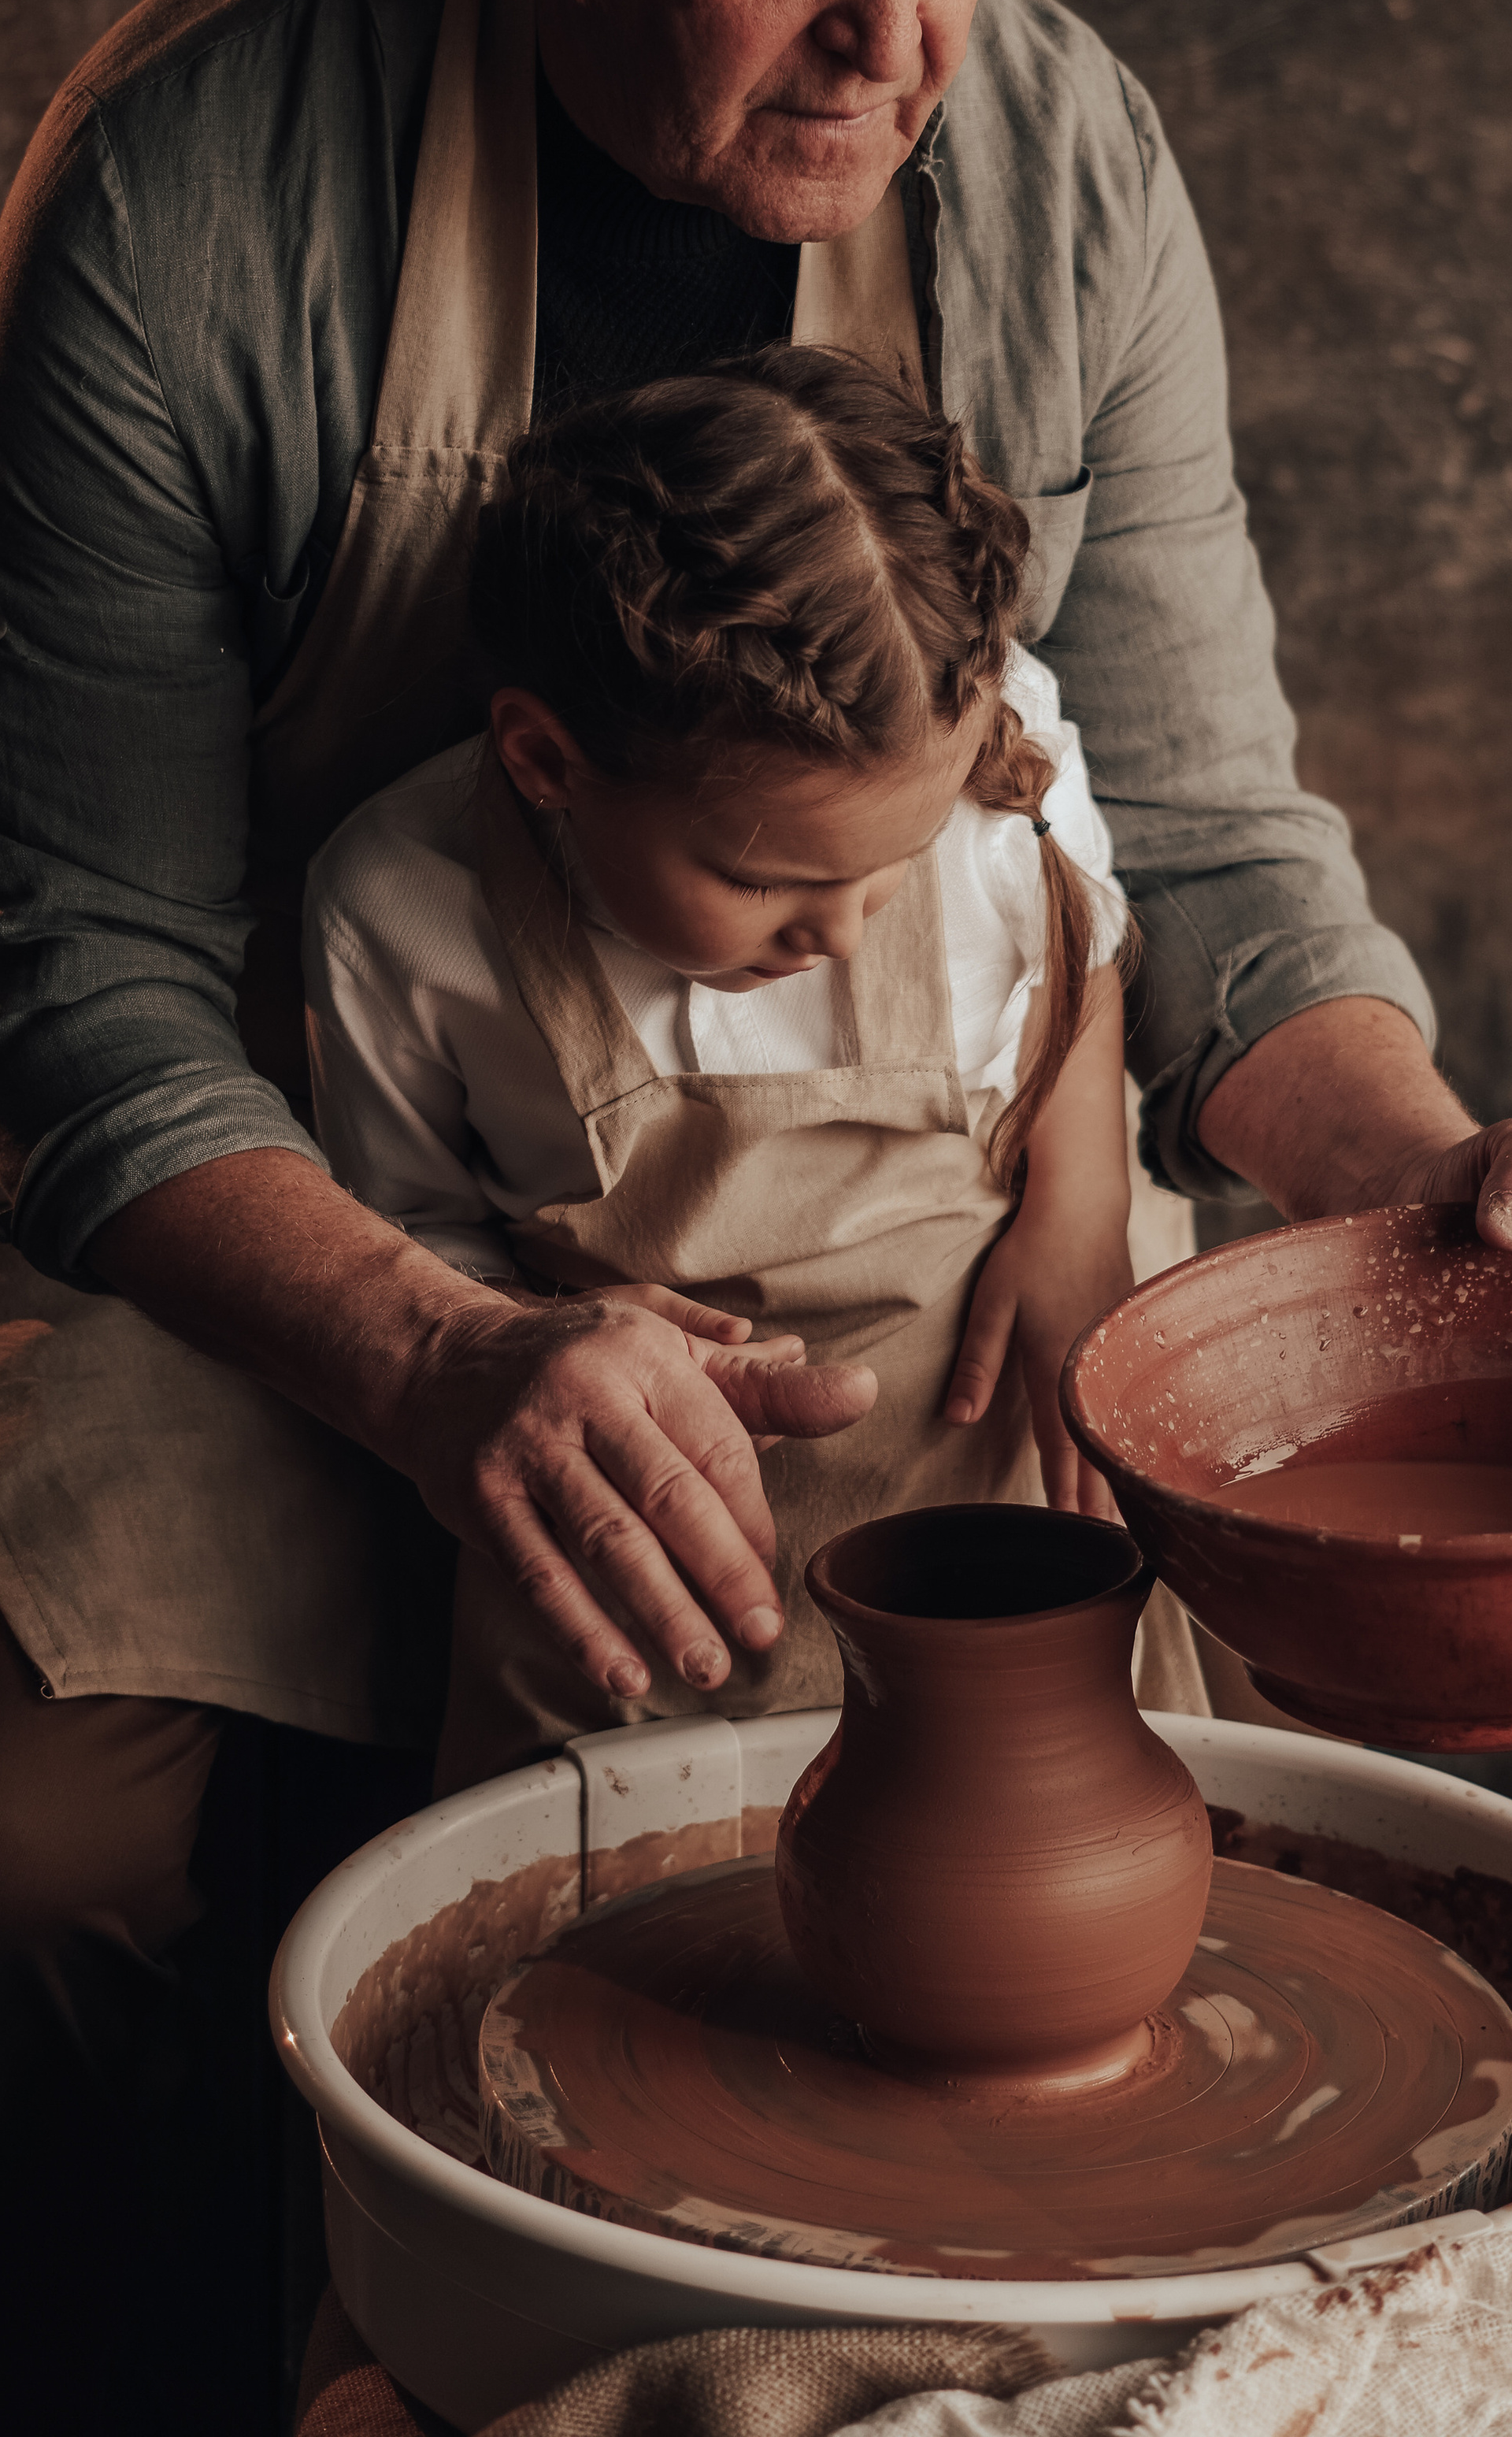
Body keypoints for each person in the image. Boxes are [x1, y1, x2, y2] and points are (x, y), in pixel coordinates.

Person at [0, 0, 1512, 2428]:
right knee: (29, 1891)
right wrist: (437, 1358)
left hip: (886, 1216)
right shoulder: (190, 194)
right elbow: (84, 978)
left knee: (1174, 1832)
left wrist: (1403, 1171)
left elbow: (1197, 842)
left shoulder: (1061, 169)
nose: (901, 36)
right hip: (264, 1193)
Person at [304, 347, 1138, 1777]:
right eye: (762, 880)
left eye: (892, 866)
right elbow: (408, 1245)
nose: (842, 931)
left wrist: (1081, 1212)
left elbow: (1081, 955)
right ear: (546, 761)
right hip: (634, 1553)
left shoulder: (984, 772)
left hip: (979, 1471)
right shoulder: (402, 912)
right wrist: (520, 1336)